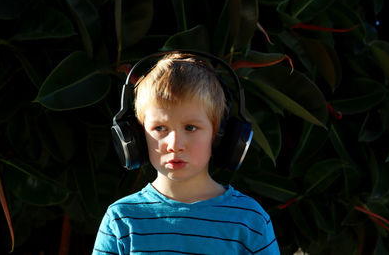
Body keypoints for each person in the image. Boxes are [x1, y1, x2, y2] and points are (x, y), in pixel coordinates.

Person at [92, 52, 280, 254]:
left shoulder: (249, 220)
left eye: (190, 127)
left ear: (218, 136)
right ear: (137, 135)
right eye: (160, 128)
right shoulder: (121, 220)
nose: (174, 144)